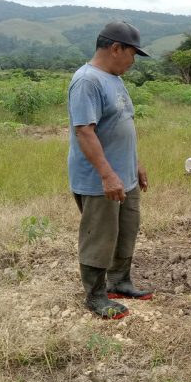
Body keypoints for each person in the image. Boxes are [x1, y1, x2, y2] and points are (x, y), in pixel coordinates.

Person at [67, 22, 153, 319]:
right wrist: (107, 174)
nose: (133, 61)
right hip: (99, 180)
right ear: (115, 48)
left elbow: (122, 124)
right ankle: (95, 295)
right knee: (100, 235)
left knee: (126, 230)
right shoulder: (87, 81)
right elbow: (85, 133)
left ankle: (120, 282)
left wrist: (135, 164)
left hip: (124, 175)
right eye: (132, 54)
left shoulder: (115, 78)